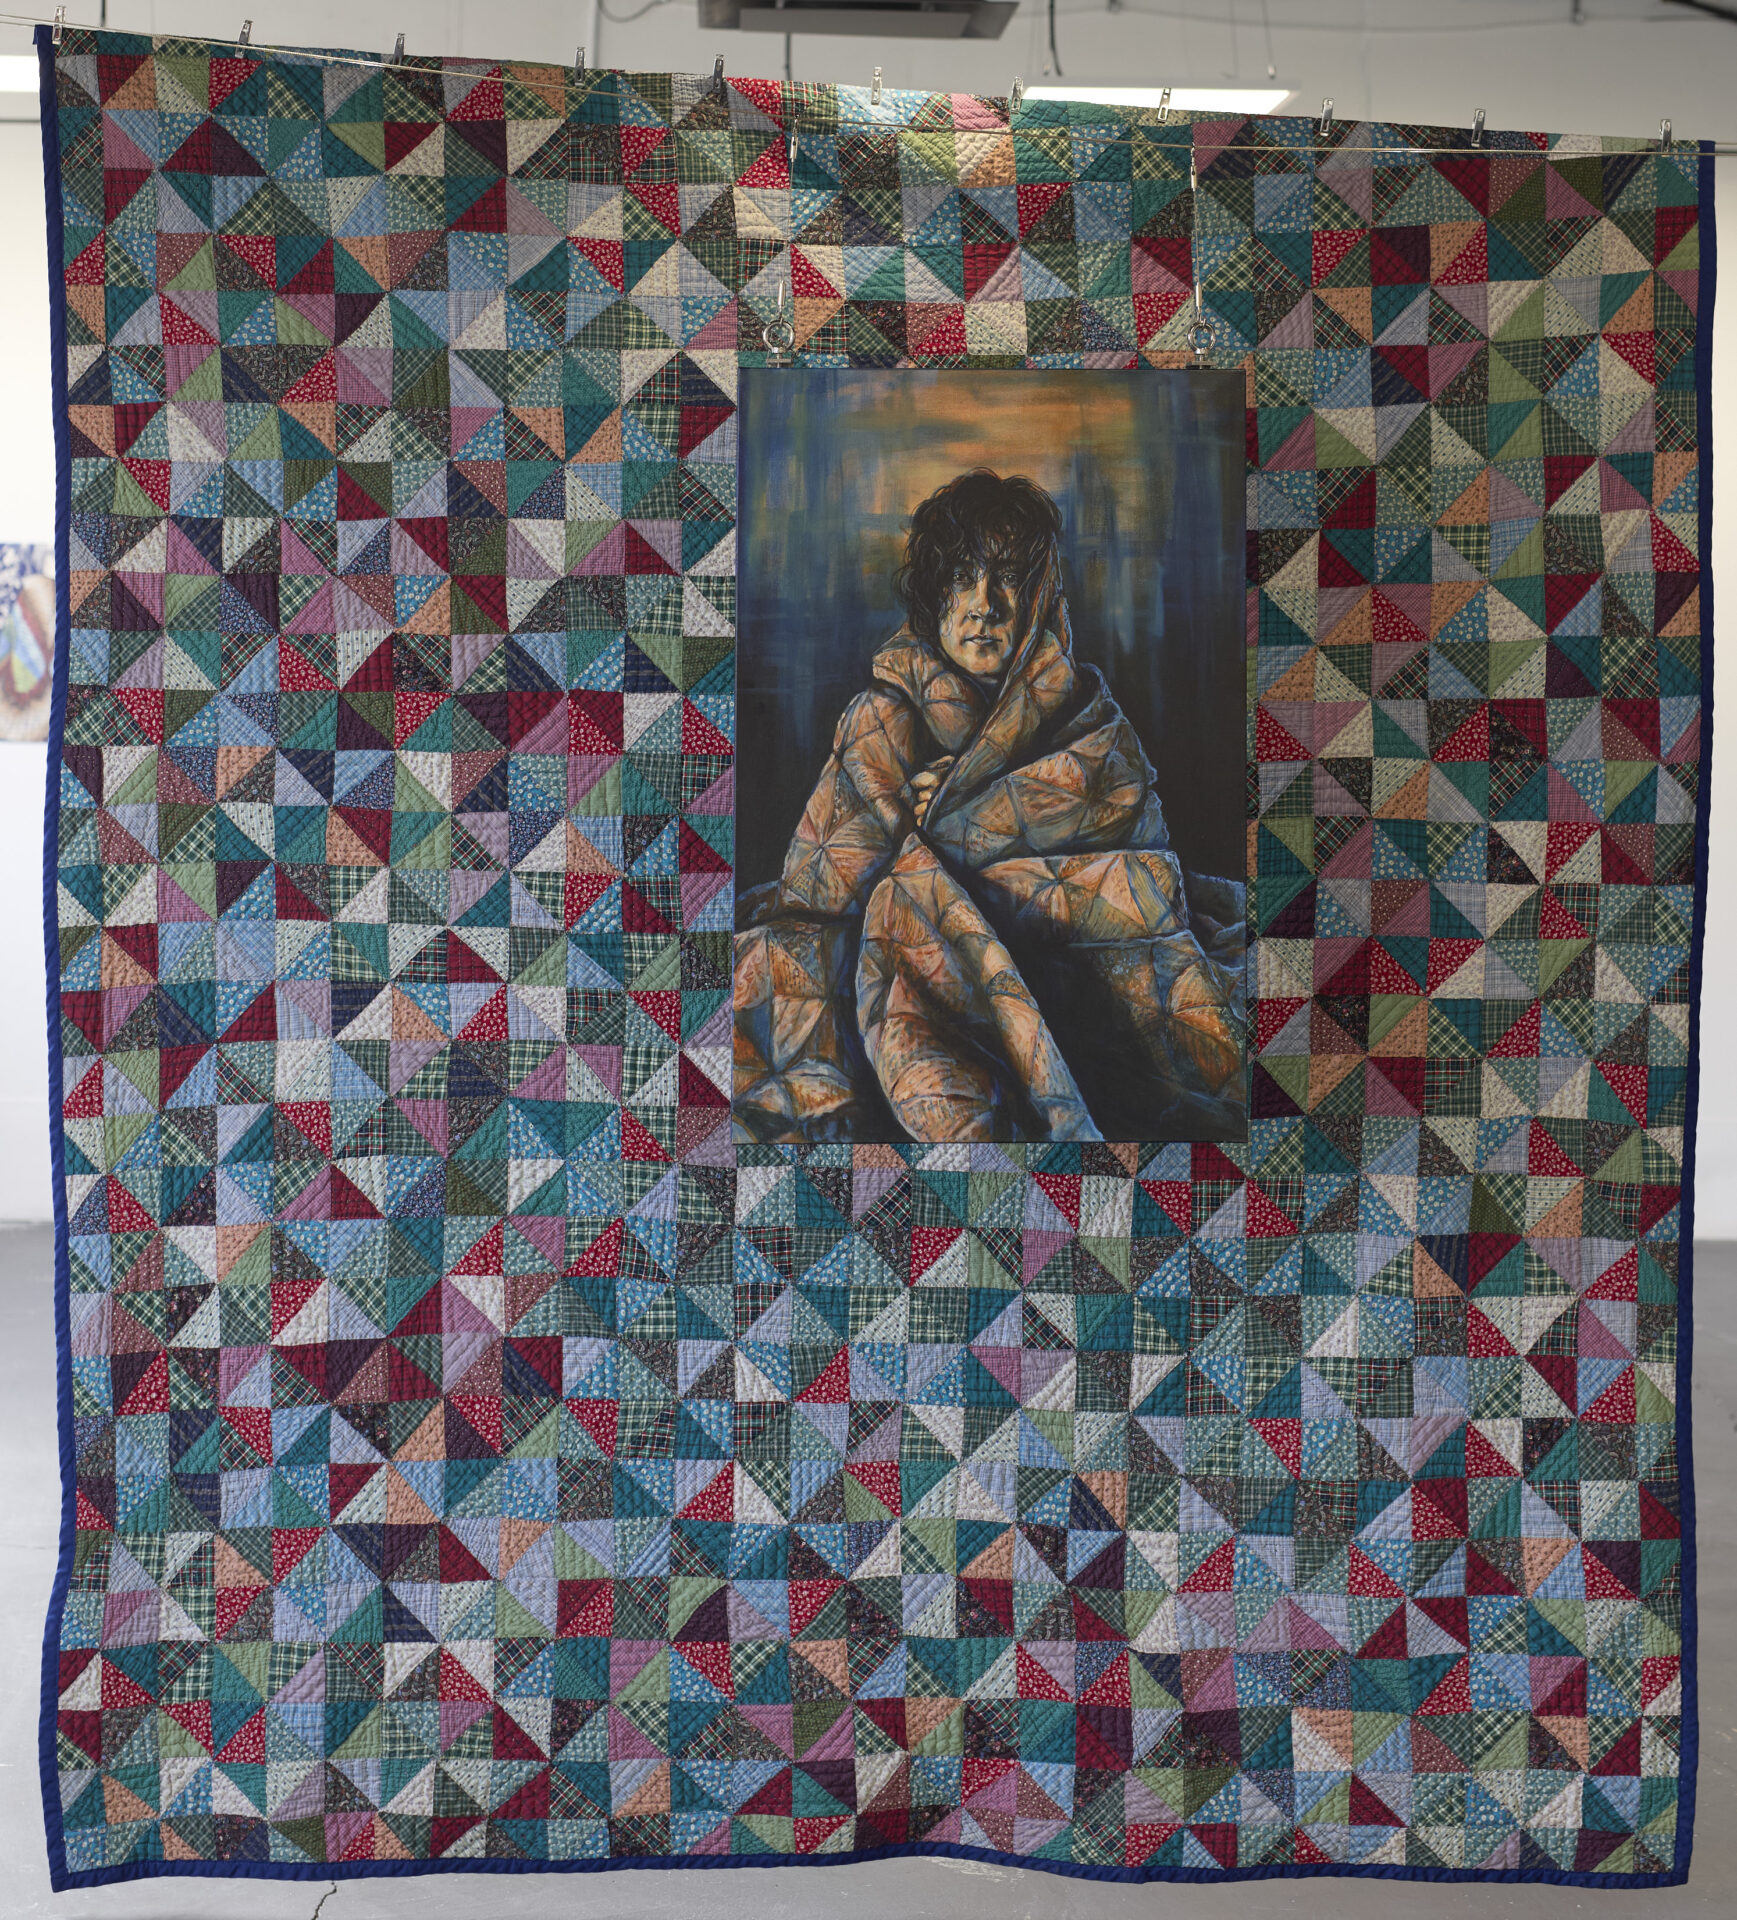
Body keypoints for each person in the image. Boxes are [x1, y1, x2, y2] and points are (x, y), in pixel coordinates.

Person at [733, 469, 1246, 1144]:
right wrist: (938, 840)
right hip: (935, 994)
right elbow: (820, 900)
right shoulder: (881, 720)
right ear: (932, 596)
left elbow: (1140, 866)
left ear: (1039, 597)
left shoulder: (1091, 720)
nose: (983, 605)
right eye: (960, 578)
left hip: (1081, 988)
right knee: (898, 903)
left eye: (1006, 578)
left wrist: (965, 816)